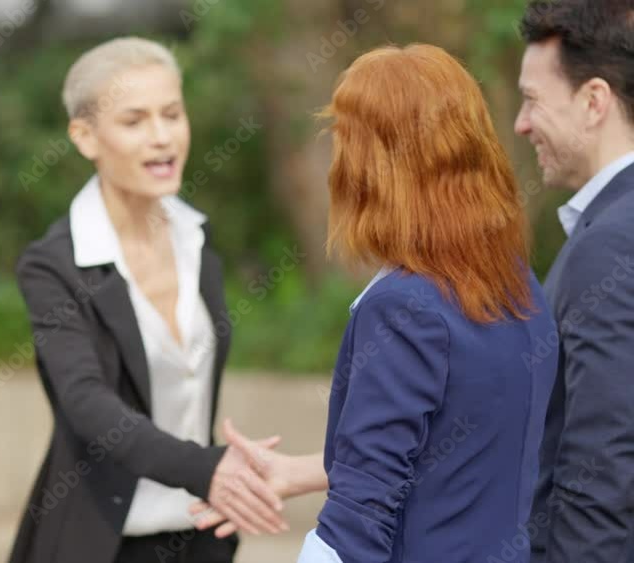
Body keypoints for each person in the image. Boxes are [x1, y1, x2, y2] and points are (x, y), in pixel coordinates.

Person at [193, 44, 558, 563]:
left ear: (372, 168)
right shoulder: (521, 288)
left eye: (345, 140)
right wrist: (301, 472)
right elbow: (450, 450)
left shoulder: (404, 309)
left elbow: (359, 522)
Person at [7, 37, 286, 563]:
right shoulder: (54, 265)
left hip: (201, 534)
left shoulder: (195, 239)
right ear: (85, 137)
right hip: (101, 542)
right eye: (134, 122)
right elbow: (86, 403)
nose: (162, 138)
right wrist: (204, 467)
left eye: (172, 114)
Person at [514, 2, 634, 561]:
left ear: (593, 102)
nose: (521, 122)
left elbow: (602, 469)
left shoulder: (609, 242)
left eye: (533, 99)